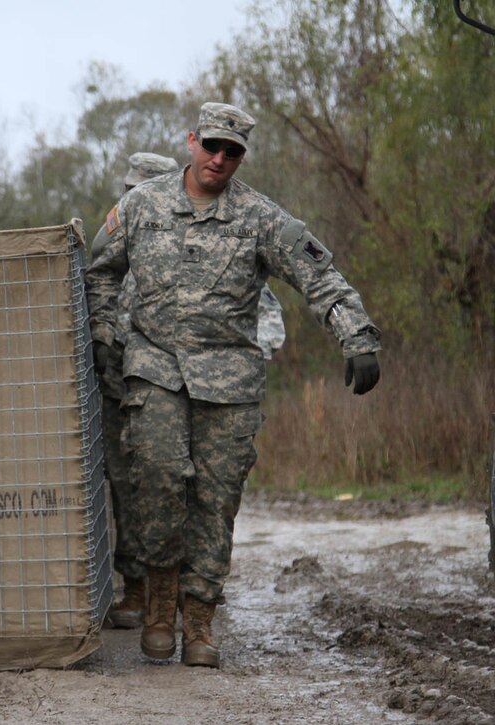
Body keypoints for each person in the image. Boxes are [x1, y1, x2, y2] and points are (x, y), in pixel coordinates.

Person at [85, 102, 381, 668]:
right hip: (154, 369)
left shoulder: (260, 218)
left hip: (230, 382)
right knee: (157, 483)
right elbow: (100, 271)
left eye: (232, 151)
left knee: (216, 503)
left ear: (241, 155)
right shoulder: (142, 205)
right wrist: (104, 333)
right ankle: (158, 607)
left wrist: (358, 336)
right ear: (192, 141)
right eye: (212, 146)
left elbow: (317, 276)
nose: (219, 159)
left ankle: (199, 622)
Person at [94, 153, 288, 631]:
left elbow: (265, 319)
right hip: (124, 384)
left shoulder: (221, 237)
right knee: (137, 489)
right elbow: (96, 288)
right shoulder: (127, 241)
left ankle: (189, 601)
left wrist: (224, 367)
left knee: (203, 495)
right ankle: (141, 591)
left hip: (207, 389)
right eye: (128, 187)